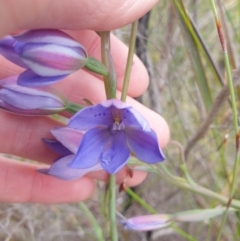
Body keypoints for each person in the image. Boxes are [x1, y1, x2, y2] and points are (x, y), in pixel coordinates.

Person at [0, 0, 169, 203]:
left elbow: (149, 150)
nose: (117, 120)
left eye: (119, 118)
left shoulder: (133, 138)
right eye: (116, 117)